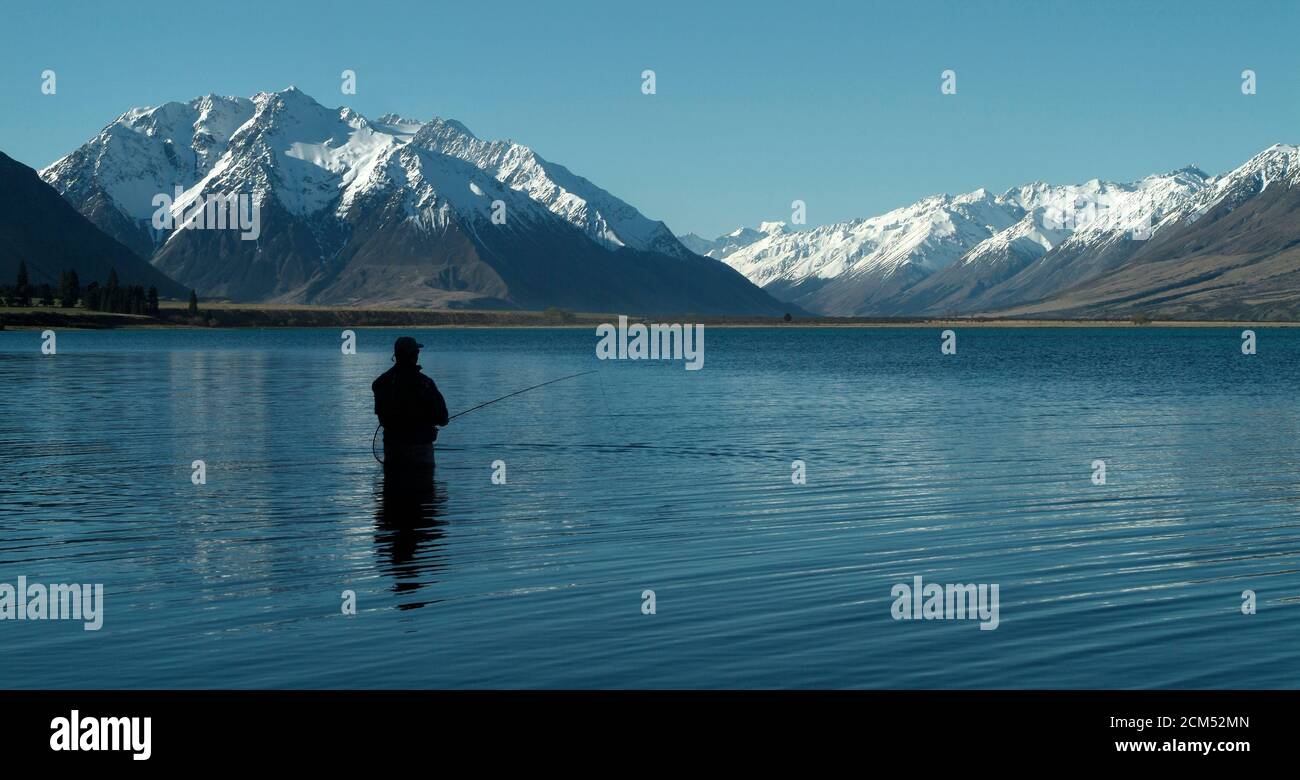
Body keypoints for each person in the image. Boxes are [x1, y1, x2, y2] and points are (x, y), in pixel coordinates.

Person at [372, 336, 449, 467]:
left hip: (393, 450)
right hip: (421, 450)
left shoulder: (381, 383)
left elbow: (383, 419)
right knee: (424, 486)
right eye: (417, 352)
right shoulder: (425, 384)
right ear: (414, 355)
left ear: (396, 355)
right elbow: (442, 417)